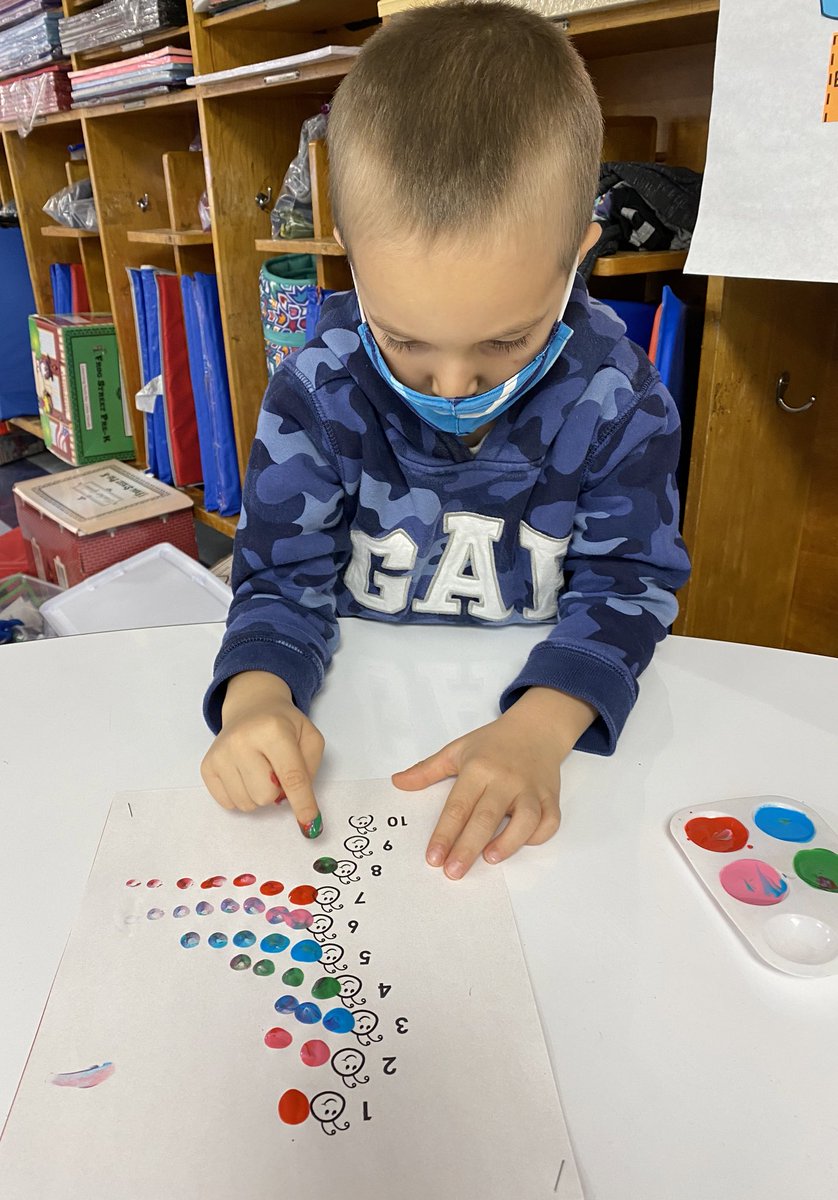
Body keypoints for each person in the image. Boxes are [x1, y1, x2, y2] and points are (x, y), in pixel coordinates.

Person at [201, 1, 691, 879]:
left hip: (549, 749)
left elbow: (629, 585)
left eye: (506, 340)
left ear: (576, 258)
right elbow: (279, 579)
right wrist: (255, 700)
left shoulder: (622, 399)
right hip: (357, 747)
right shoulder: (317, 386)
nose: (456, 385)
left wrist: (540, 729)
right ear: (350, 255)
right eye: (406, 339)